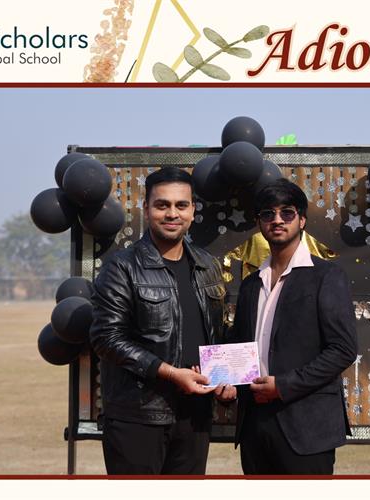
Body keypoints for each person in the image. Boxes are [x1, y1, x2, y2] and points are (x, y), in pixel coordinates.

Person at [89, 166, 227, 475]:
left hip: (195, 417)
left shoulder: (208, 266)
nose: (172, 214)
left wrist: (226, 377)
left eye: (181, 205)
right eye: (162, 205)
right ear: (146, 208)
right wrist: (171, 373)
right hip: (138, 417)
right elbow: (106, 338)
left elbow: (219, 333)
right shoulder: (122, 267)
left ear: (193, 210)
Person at [222, 178, 358, 475]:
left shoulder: (326, 276)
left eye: (287, 212)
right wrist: (223, 380)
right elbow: (240, 347)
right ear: (258, 222)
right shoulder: (250, 284)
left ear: (302, 220)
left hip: (307, 427)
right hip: (255, 424)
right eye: (268, 214)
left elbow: (343, 349)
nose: (277, 220)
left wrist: (282, 387)